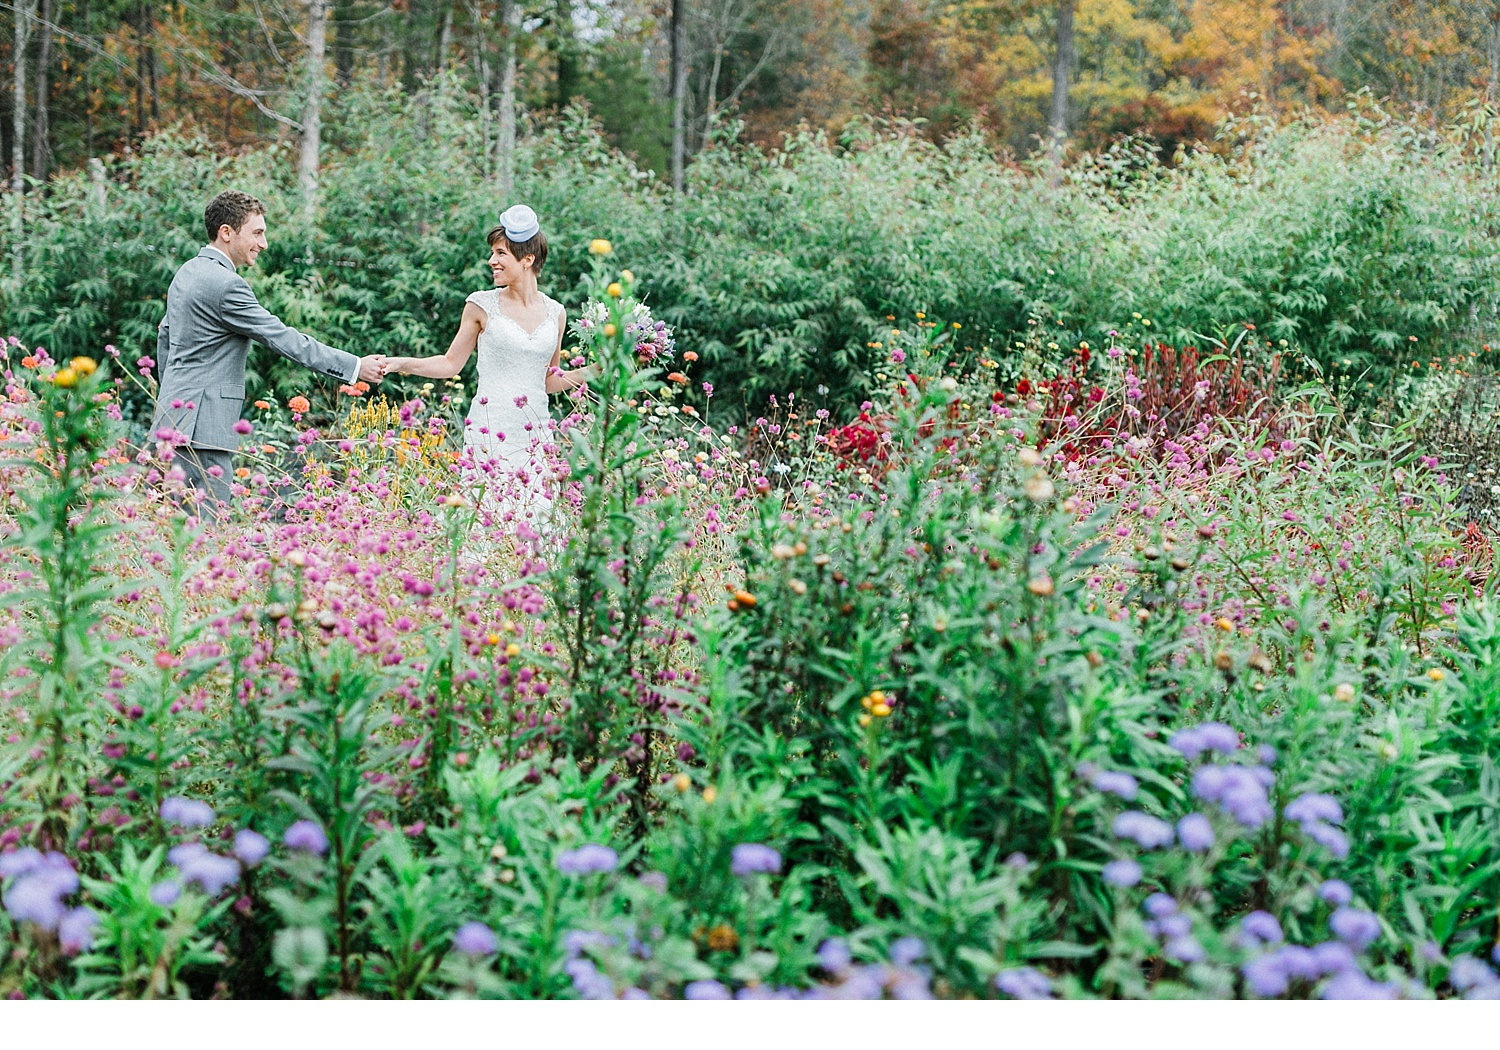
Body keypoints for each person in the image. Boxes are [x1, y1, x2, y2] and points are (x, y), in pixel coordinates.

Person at [151, 190, 387, 513]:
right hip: (204, 435)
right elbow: (282, 338)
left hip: (170, 424)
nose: (263, 243)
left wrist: (172, 403)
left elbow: (165, 337)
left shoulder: (186, 273)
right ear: (226, 232)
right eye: (257, 233)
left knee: (171, 540)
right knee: (202, 542)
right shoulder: (227, 285)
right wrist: (355, 367)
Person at [383, 205, 594, 528]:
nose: (491, 261)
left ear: (528, 260)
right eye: (492, 253)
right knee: (488, 520)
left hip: (535, 434)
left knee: (536, 524)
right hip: (489, 429)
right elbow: (450, 363)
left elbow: (550, 381)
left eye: (500, 253)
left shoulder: (556, 313)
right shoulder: (481, 304)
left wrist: (598, 370)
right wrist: (402, 364)